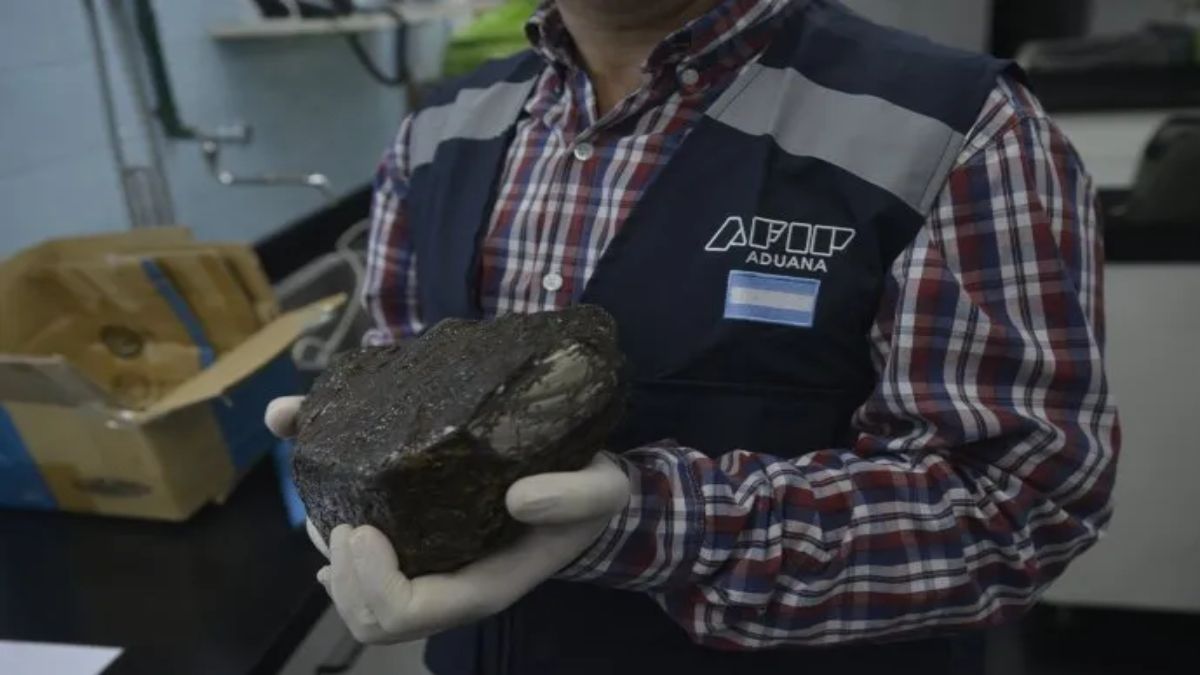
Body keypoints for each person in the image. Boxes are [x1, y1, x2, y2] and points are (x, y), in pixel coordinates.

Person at [265, 0, 1120, 673]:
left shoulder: (956, 129)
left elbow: (1018, 509)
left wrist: (651, 522)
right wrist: (361, 498)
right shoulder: (440, 130)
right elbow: (395, 383)